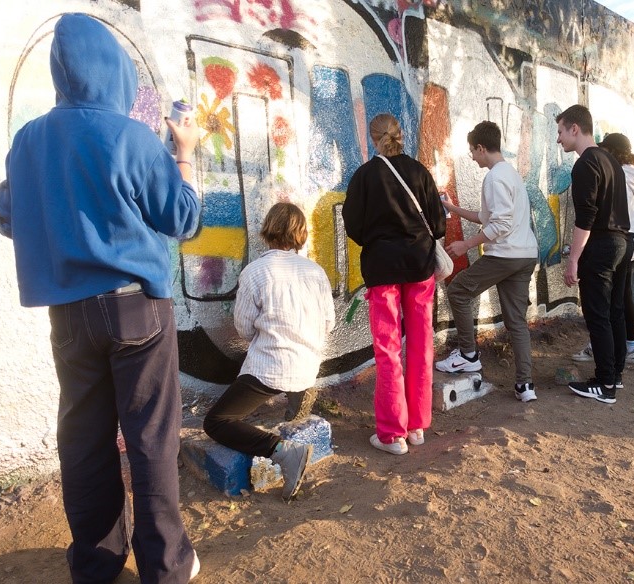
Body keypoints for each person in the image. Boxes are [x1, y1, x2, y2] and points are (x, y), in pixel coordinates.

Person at [0, 13, 201, 584]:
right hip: (136, 308)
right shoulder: (131, 136)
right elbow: (182, 218)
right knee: (151, 441)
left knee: (83, 442)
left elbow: (9, 218)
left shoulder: (28, 139)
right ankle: (165, 568)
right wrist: (183, 154)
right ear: (115, 71)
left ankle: (96, 564)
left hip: (68, 316)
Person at [203, 203, 333, 499]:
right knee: (292, 384)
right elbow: (329, 323)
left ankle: (283, 451)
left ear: (268, 231)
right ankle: (296, 414)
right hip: (308, 366)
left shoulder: (255, 272)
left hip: (270, 370)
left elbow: (244, 329)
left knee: (217, 422)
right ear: (301, 234)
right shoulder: (316, 271)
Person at [342, 113, 446, 455]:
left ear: (373, 139)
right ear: (401, 136)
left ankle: (391, 434)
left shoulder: (364, 176)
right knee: (421, 344)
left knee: (388, 350)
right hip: (419, 267)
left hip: (382, 267)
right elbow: (438, 223)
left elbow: (354, 227)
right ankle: (416, 427)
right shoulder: (419, 172)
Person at [435, 121, 539, 403]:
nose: (471, 156)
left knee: (457, 290)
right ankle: (525, 385)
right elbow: (487, 217)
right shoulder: (510, 174)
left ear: (482, 148)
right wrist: (452, 209)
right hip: (524, 255)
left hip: (505, 255)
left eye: (472, 151)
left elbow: (501, 224)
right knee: (516, 321)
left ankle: (468, 355)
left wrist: (467, 244)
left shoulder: (494, 177)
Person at [556, 105, 631, 404]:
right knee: (614, 312)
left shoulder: (585, 164)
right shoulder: (611, 160)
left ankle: (604, 384)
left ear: (575, 128)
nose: (559, 139)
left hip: (600, 246)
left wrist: (573, 259)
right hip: (622, 243)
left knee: (597, 314)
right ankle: (615, 376)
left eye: (561, 132)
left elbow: (585, 217)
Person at [572, 134, 634, 366]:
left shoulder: (616, 174)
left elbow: (603, 210)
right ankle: (630, 349)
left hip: (612, 242)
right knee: (622, 300)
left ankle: (605, 359)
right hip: (633, 243)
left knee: (603, 307)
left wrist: (576, 254)